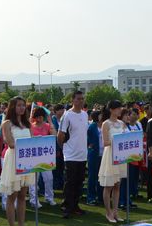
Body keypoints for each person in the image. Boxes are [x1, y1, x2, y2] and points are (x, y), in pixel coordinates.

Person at [0, 97, 35, 226]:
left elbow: (32, 141)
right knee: (12, 195)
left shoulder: (27, 124)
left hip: (26, 160)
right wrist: (26, 145)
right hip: (14, 159)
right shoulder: (7, 123)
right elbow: (10, 143)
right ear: (12, 107)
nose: (21, 108)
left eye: (23, 105)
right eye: (19, 105)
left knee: (22, 196)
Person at [58, 91, 89, 219]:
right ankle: (67, 206)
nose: (81, 101)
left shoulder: (85, 114)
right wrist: (64, 149)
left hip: (82, 154)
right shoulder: (67, 115)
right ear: (73, 100)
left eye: (82, 99)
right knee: (70, 182)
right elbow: (60, 135)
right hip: (70, 155)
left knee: (79, 182)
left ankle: (75, 205)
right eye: (78, 99)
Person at [98, 100, 127, 223]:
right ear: (111, 109)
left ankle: (115, 211)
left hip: (120, 155)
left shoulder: (122, 123)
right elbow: (105, 142)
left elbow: (126, 138)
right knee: (109, 185)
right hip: (110, 155)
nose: (120, 110)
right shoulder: (106, 124)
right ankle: (108, 212)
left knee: (117, 185)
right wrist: (117, 141)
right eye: (118, 108)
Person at [30, 106, 57, 207]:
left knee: (49, 178)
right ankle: (34, 200)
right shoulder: (31, 126)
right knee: (34, 180)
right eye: (37, 117)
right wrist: (35, 138)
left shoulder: (47, 126)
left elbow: (54, 135)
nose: (39, 119)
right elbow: (28, 138)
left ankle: (49, 197)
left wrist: (50, 122)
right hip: (34, 156)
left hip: (46, 156)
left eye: (41, 117)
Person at [86, 110, 103, 206]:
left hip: (102, 153)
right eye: (100, 115)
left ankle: (100, 196)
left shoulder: (103, 125)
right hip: (94, 154)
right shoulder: (92, 126)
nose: (102, 116)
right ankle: (91, 197)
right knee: (92, 176)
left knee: (101, 176)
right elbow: (88, 139)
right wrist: (90, 145)